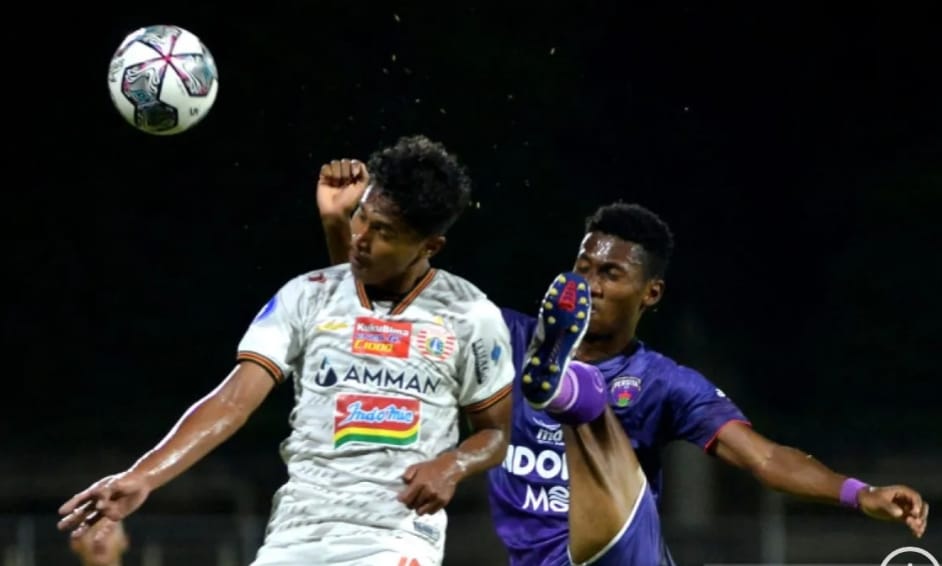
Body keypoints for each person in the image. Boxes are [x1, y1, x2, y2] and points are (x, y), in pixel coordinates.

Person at [318, 178, 929, 565]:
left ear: (650, 293)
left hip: (619, 553)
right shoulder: (505, 335)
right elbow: (381, 306)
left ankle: (574, 393)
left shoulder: (664, 381)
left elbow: (764, 458)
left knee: (603, 443)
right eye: (583, 267)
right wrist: (341, 224)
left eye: (610, 274)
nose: (589, 282)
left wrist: (859, 493)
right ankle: (569, 387)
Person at [58, 135, 516, 566]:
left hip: (394, 539)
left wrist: (454, 464)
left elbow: (495, 432)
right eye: (361, 216)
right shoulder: (307, 295)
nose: (361, 237)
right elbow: (232, 401)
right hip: (294, 537)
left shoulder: (470, 316)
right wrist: (143, 475)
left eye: (384, 231)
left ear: (430, 246)